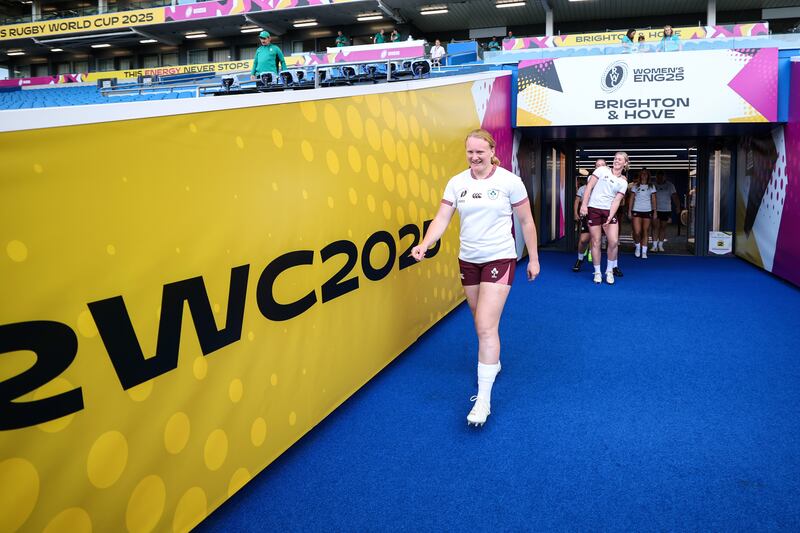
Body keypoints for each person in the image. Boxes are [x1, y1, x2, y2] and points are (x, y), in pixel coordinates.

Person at [411, 129, 540, 427]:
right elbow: (442, 218)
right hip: (468, 260)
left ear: (492, 150)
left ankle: (483, 399)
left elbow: (526, 221)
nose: (474, 157)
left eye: (480, 152)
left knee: (484, 324)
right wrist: (425, 243)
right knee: (480, 320)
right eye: (470, 152)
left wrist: (533, 258)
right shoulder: (457, 182)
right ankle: (492, 362)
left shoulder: (509, 181)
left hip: (499, 257)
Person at [579, 153, 629, 284]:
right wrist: (584, 205)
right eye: (615, 158)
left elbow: (617, 201)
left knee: (613, 241)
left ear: (625, 163)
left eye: (620, 159)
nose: (616, 161)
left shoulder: (623, 182)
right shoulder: (601, 170)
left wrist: (610, 216)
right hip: (593, 209)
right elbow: (589, 187)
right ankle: (597, 272)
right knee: (595, 241)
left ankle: (609, 271)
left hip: (608, 211)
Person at [573, 160, 606, 272]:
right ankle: (580, 259)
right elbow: (580, 199)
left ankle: (608, 268)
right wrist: (579, 210)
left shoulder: (609, 180)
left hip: (602, 214)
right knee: (583, 240)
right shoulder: (591, 179)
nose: (600, 167)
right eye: (598, 165)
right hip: (588, 214)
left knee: (598, 239)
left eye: (602, 165)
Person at [627, 168, 657, 258]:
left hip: (647, 211)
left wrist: (655, 212)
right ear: (640, 175)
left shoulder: (651, 186)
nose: (644, 175)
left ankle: (644, 251)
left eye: (645, 174)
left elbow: (654, 200)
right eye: (642, 173)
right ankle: (637, 247)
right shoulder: (635, 186)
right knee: (637, 232)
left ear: (648, 175)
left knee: (645, 231)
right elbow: (631, 199)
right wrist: (629, 211)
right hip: (636, 210)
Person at [651, 171, 680, 252]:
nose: (660, 178)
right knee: (655, 227)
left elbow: (675, 196)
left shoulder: (670, 185)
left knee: (663, 227)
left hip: (666, 209)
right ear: (656, 177)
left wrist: (678, 206)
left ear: (664, 177)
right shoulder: (653, 185)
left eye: (661, 176)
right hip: (655, 209)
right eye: (658, 176)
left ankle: (660, 245)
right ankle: (654, 246)